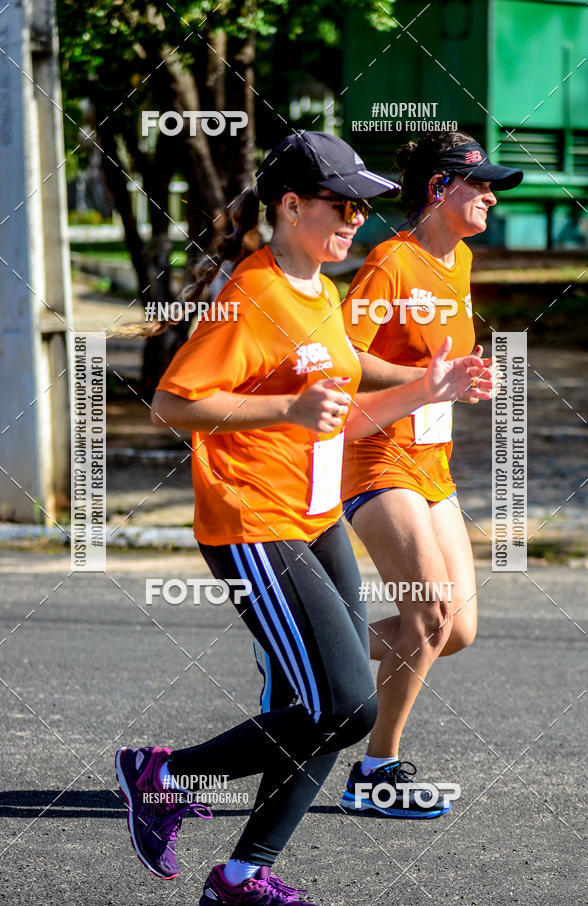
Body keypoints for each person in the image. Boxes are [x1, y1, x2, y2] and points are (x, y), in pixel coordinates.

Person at [114, 131, 494, 906]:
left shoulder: (320, 292)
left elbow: (345, 420)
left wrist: (431, 387)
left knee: (328, 708)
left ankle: (243, 875)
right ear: (290, 205)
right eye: (340, 203)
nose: (356, 217)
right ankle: (163, 774)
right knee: (344, 704)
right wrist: (285, 404)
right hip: (256, 522)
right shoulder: (253, 296)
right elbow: (173, 402)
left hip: (317, 518)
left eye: (362, 205)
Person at [334, 130, 522, 818]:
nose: (492, 198)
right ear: (441, 191)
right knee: (430, 613)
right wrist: (428, 377)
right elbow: (345, 357)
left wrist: (469, 380)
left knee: (457, 629)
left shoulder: (460, 258)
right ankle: (376, 770)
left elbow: (442, 365)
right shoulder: (391, 262)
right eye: (481, 186)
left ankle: (310, 655)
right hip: (376, 456)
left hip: (431, 464)